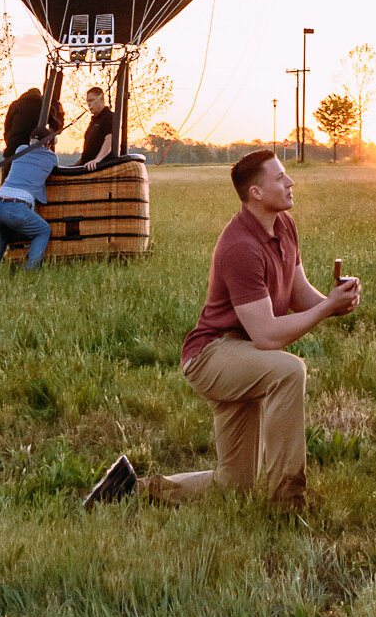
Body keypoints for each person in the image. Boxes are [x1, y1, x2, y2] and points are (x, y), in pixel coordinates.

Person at [153, 150, 360, 508]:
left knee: (234, 485)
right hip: (212, 356)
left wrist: (334, 301)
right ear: (256, 193)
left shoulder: (284, 226)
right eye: (280, 177)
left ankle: (137, 488)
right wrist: (326, 308)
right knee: (288, 370)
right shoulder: (240, 246)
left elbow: (299, 294)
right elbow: (266, 335)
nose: (290, 181)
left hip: (245, 358)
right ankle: (287, 500)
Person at [0, 92, 62, 270]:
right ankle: (31, 270)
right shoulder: (51, 158)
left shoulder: (20, 148)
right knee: (43, 231)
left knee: (2, 234)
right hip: (17, 208)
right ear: (48, 143)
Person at [77, 82, 118, 169]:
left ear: (101, 99)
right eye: (87, 101)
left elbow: (110, 140)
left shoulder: (109, 117)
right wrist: (73, 166)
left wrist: (97, 160)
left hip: (100, 168)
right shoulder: (94, 120)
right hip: (88, 167)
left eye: (91, 100)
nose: (89, 104)